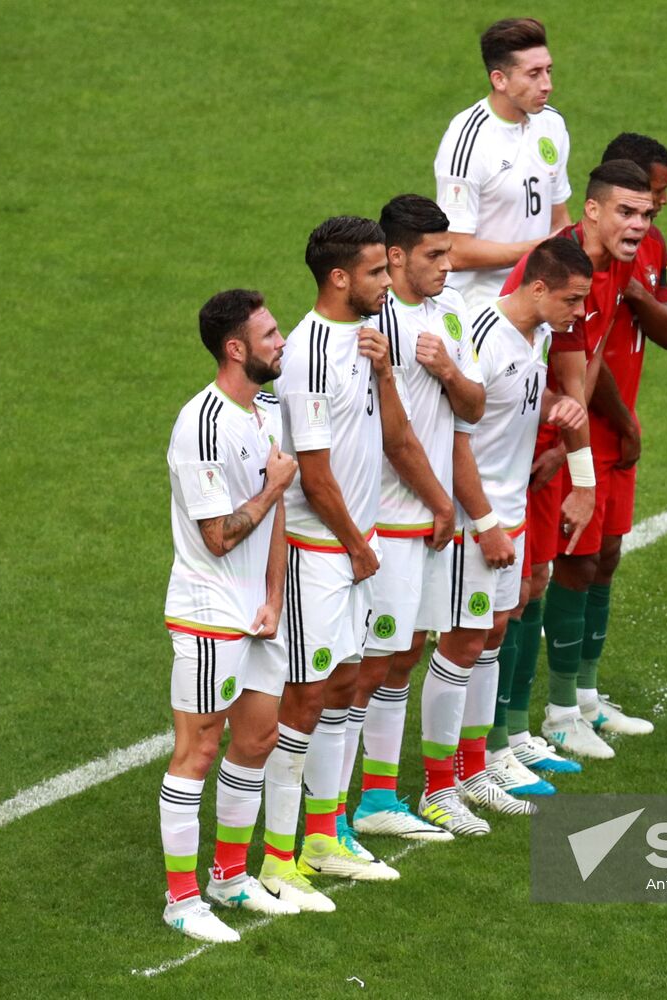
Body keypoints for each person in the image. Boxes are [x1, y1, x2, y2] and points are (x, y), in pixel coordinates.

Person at [256, 217, 455, 892]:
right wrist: (358, 548)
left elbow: (392, 435)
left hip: (351, 552)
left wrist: (384, 374)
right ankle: (279, 859)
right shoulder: (308, 353)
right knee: (305, 698)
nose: (385, 281)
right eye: (375, 272)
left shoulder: (368, 340)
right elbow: (314, 475)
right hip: (319, 554)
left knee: (343, 687)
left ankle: (323, 834)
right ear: (340, 278)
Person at [416, 236, 591, 826]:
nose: (579, 314)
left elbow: (511, 401)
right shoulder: (481, 335)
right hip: (478, 515)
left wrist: (553, 409)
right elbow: (458, 441)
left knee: (492, 636)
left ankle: (474, 769)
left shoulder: (537, 331)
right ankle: (439, 787)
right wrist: (487, 524)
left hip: (510, 509)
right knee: (463, 643)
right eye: (572, 300)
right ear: (537, 288)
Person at [337, 194, 488, 844]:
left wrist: (448, 369)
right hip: (385, 521)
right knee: (366, 666)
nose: (447, 266)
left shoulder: (450, 312)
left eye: (449, 251)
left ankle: (374, 799)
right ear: (394, 256)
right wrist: (437, 501)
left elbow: (474, 409)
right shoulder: (373, 324)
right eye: (434, 255)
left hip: (428, 522)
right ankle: (328, 817)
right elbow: (389, 436)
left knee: (404, 655)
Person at [497, 159, 654, 769]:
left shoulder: (610, 268)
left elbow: (580, 370)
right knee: (518, 587)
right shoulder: (560, 269)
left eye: (645, 213)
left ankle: (538, 724)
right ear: (592, 210)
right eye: (626, 211)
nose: (639, 224)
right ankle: (504, 739)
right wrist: (574, 469)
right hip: (519, 444)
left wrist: (574, 450)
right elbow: (554, 372)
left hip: (553, 435)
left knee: (539, 578)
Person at [159, 289, 301, 942]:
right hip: (208, 614)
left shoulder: (261, 414)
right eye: (270, 335)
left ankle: (229, 876)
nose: (280, 342)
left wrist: (274, 598)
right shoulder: (204, 425)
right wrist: (274, 484)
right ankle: (182, 900)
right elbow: (219, 535)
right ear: (235, 349)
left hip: (255, 615)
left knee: (257, 740)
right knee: (199, 750)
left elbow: (275, 524)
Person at [574, 133, 667, 738]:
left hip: (619, 426)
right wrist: (621, 419)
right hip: (588, 424)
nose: (658, 206)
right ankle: (559, 709)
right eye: (651, 193)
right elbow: (585, 353)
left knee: (606, 557)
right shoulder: (585, 258)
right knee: (564, 568)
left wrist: (638, 287)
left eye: (659, 197)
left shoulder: (648, 246)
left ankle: (587, 695)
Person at [434, 17, 571, 313]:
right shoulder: (468, 140)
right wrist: (537, 251)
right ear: (500, 79)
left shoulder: (552, 124)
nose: (547, 85)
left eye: (548, 71)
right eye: (533, 74)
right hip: (481, 306)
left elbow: (560, 220)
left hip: (539, 298)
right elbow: (453, 250)